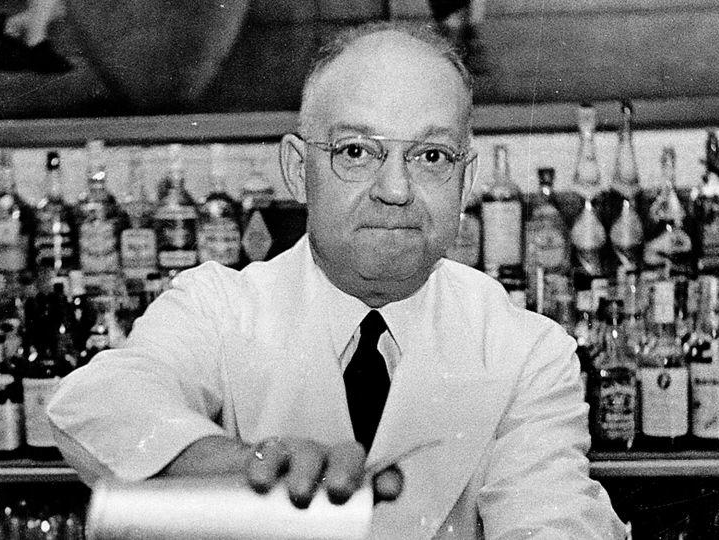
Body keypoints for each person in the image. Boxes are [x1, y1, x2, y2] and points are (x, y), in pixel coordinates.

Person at [47, 21, 627, 539]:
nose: (396, 190)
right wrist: (245, 462)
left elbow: (553, 518)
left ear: (465, 181)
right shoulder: (219, 307)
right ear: (299, 171)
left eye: (431, 157)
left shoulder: (527, 350)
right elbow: (99, 403)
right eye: (356, 151)